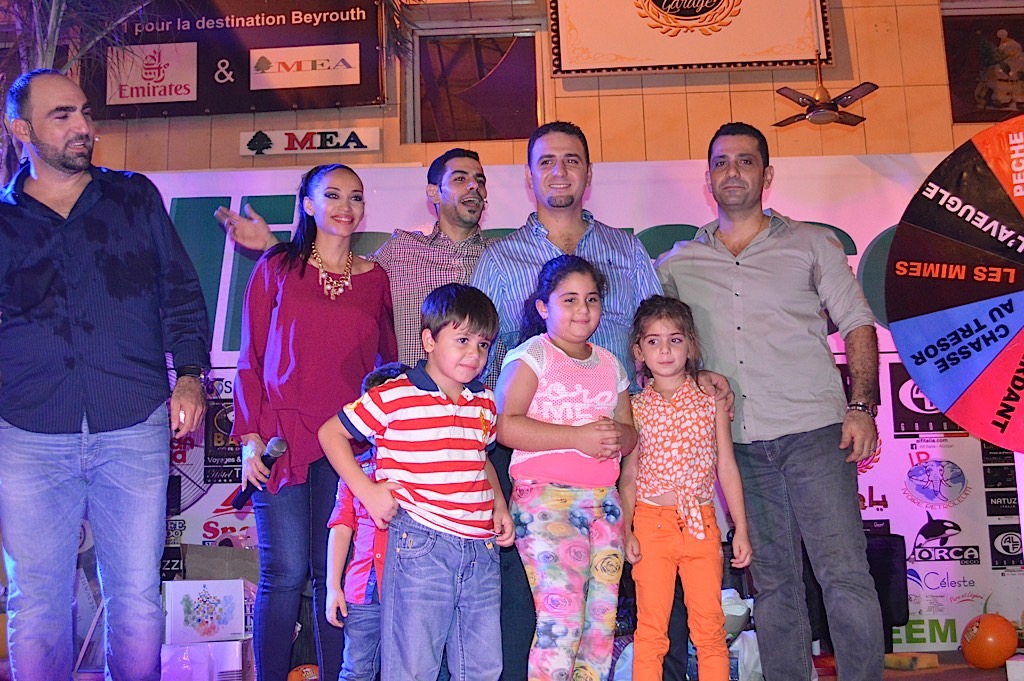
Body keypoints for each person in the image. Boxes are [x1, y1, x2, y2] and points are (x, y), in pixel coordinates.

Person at [469, 121, 702, 680]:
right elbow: (476, 356)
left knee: (608, 618)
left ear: (589, 173)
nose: (560, 171)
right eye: (547, 162)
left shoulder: (626, 249)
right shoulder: (500, 260)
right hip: (531, 462)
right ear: (530, 177)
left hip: (616, 462)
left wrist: (692, 383)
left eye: (571, 160)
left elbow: (659, 332)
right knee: (544, 615)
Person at [0, 69, 210, 680]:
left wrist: (189, 375)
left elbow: (180, 292)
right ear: (20, 130)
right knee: (37, 604)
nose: (83, 127)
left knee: (137, 599)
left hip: (132, 423)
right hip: (28, 432)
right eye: (62, 115)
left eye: (85, 112)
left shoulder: (134, 197)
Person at [656, 122, 884, 680]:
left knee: (844, 575)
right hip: (736, 448)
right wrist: (698, 373)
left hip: (816, 435)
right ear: (708, 178)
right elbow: (662, 344)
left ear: (767, 174)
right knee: (774, 583)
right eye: (721, 162)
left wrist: (862, 407)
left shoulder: (812, 244)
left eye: (745, 160)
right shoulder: (677, 264)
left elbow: (857, 322)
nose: (732, 171)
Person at [233, 163, 398, 681]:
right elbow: (251, 357)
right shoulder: (278, 266)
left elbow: (386, 368)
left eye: (355, 196)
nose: (345, 206)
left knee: (336, 574)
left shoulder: (376, 278)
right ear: (307, 204)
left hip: (348, 442)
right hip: (281, 437)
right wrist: (250, 439)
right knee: (284, 572)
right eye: (332, 195)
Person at [319, 283, 515, 681]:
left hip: (480, 549)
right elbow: (331, 433)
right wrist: (367, 492)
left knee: (482, 665)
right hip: (421, 544)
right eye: (462, 340)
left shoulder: (484, 400)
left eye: (483, 344)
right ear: (429, 340)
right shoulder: (395, 395)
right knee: (414, 664)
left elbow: (480, 458)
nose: (474, 354)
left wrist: (498, 504)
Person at [495, 255, 636, 681]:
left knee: (600, 627)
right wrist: (577, 437)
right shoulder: (532, 355)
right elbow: (505, 426)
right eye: (569, 299)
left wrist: (616, 436)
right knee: (562, 621)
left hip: (604, 505)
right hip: (546, 500)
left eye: (591, 299)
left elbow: (630, 435)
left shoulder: (610, 364)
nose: (582, 310)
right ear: (543, 307)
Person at [216, 148, 490, 366]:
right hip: (410, 408)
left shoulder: (502, 257)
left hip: (483, 407)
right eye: (460, 179)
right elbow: (330, 272)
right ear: (433, 192)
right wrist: (271, 245)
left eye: (480, 180)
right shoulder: (400, 250)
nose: (473, 186)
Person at [620, 296, 752, 681]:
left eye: (675, 340)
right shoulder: (634, 408)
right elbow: (629, 475)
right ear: (639, 351)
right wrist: (626, 529)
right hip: (651, 525)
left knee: (709, 630)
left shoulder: (710, 402)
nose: (665, 351)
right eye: (654, 341)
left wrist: (740, 528)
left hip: (701, 525)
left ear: (691, 346)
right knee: (651, 632)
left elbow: (726, 465)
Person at [325, 362, 411, 681]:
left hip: (416, 590)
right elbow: (341, 526)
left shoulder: (426, 468)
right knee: (356, 671)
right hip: (364, 591)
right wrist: (333, 586)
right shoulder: (356, 470)